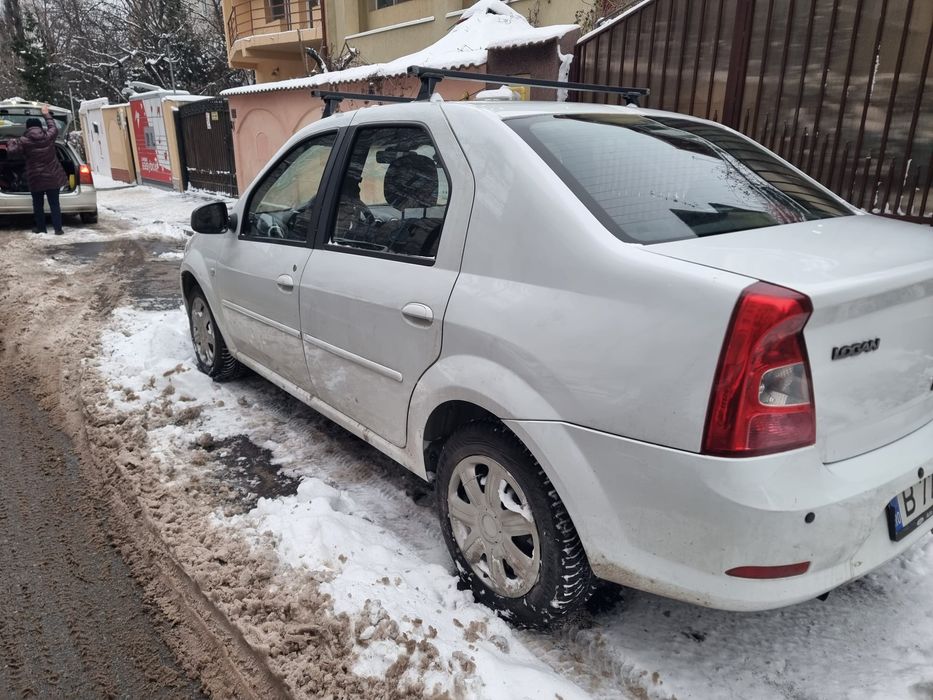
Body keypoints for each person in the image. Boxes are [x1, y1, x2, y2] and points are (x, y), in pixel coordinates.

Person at [7, 105, 67, 235]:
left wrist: (12, 141)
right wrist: (46, 114)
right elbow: (53, 127)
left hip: (36, 178)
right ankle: (58, 229)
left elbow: (11, 152)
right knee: (55, 204)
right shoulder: (48, 136)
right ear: (40, 126)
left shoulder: (23, 141)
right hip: (53, 176)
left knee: (38, 205)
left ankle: (41, 228)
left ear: (27, 128)